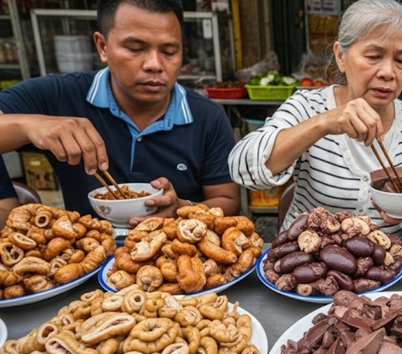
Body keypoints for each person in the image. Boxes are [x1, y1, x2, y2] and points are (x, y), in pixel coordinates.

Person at [0, 0, 239, 225]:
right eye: (136, 49)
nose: (154, 64)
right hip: (85, 255)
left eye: (169, 52)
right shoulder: (57, 95)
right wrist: (28, 126)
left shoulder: (208, 117)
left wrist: (182, 209)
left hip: (175, 257)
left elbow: (227, 201)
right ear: (102, 47)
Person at [228, 0, 402, 239]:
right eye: (373, 56)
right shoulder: (308, 106)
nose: (388, 72)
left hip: (387, 265)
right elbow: (243, 169)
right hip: (306, 263)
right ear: (341, 56)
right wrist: (323, 123)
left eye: (401, 60)